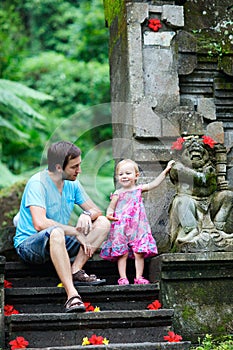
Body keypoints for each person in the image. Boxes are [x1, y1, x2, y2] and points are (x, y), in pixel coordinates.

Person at [13, 141, 110, 313]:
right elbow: (40, 223)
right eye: (74, 167)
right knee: (55, 232)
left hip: (60, 241)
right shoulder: (37, 183)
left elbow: (96, 211)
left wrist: (86, 215)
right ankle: (72, 295)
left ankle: (76, 269)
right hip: (30, 245)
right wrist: (75, 232)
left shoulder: (72, 183)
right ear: (59, 167)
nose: (79, 171)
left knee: (103, 223)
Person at [100, 158, 175, 285]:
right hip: (122, 226)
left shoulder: (138, 189)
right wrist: (109, 215)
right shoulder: (118, 193)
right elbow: (111, 208)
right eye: (121, 174)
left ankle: (138, 277)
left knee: (139, 252)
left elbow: (154, 184)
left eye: (128, 173)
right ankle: (123, 277)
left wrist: (166, 171)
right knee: (121, 253)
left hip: (138, 226)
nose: (124, 176)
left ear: (136, 176)